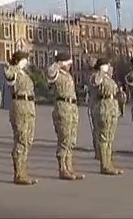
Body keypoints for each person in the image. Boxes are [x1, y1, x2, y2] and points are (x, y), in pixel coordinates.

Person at [47, 52, 84, 181]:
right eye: (68, 63)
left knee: (71, 140)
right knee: (64, 138)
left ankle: (69, 167)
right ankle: (62, 168)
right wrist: (58, 63)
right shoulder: (56, 73)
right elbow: (50, 73)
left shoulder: (67, 75)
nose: (70, 66)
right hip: (62, 107)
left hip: (72, 108)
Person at [4, 50, 38, 185]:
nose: (27, 62)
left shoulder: (25, 74)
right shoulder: (13, 71)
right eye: (25, 59)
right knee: (21, 138)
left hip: (29, 107)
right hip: (19, 106)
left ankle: (23, 170)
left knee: (28, 140)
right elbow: (9, 76)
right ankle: (18, 173)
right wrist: (17, 66)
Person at [91, 59, 123, 176]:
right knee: (104, 138)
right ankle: (104, 165)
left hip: (111, 108)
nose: (110, 67)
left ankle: (109, 163)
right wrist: (100, 71)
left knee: (109, 138)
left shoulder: (109, 78)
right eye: (107, 65)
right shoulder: (97, 76)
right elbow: (95, 82)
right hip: (103, 108)